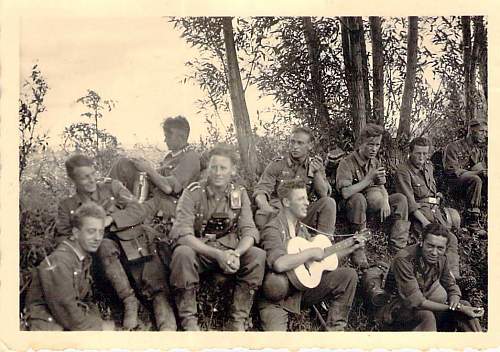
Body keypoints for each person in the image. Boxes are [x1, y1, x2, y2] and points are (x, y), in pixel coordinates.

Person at [55, 154, 176, 331]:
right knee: (105, 247)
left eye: (92, 174)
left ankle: (169, 335)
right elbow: (62, 238)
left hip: (135, 247)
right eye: (84, 177)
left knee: (157, 291)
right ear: (73, 179)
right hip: (102, 261)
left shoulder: (112, 188)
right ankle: (130, 304)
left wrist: (112, 219)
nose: (91, 180)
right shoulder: (68, 206)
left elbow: (139, 210)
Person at [168, 144, 266, 331]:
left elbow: (249, 231)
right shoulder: (194, 191)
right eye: (214, 167)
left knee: (257, 256)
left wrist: (237, 253)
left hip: (229, 251)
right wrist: (217, 255)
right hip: (200, 249)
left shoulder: (238, 193)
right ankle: (189, 321)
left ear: (233, 170)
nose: (218, 173)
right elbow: (183, 233)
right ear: (207, 169)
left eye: (223, 168)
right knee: (182, 253)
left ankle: (238, 320)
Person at [258, 179, 362, 331]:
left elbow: (319, 259)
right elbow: (279, 264)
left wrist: (350, 247)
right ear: (286, 202)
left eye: (307, 198)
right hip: (278, 299)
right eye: (301, 199)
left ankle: (336, 331)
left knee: (348, 276)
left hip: (302, 291)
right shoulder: (273, 228)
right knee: (277, 343)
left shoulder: (301, 229)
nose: (307, 203)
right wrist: (310, 252)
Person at [24, 203, 115, 330]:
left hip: (64, 321)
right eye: (91, 232)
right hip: (47, 326)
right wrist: (100, 327)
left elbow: (82, 302)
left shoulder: (82, 258)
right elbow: (66, 310)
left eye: (101, 232)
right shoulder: (60, 261)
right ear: (76, 233)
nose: (98, 238)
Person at [378, 223, 483, 331]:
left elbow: (451, 285)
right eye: (430, 246)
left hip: (426, 304)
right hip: (396, 310)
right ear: (421, 242)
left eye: (440, 248)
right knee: (427, 316)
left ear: (445, 248)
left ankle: (478, 343)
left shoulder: (442, 258)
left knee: (465, 306)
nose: (434, 252)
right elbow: (417, 302)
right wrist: (458, 308)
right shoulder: (404, 259)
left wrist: (455, 301)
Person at [336, 123, 410, 266]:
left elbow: (381, 186)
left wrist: (386, 200)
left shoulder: (375, 162)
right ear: (360, 143)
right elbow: (345, 193)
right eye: (370, 144)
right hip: (352, 206)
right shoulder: (346, 163)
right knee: (358, 199)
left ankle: (397, 248)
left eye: (377, 145)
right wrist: (368, 178)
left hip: (371, 203)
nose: (374, 149)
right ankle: (359, 245)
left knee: (401, 199)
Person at [109, 115, 201, 221]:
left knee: (132, 209)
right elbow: (158, 177)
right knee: (124, 164)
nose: (165, 140)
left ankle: (112, 213)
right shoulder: (170, 156)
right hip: (154, 194)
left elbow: (169, 188)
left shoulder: (190, 157)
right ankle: (107, 202)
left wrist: (148, 169)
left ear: (181, 137)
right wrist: (141, 166)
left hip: (168, 202)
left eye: (168, 136)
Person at [253, 126, 336, 235]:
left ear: (310, 146)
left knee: (329, 203)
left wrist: (316, 173)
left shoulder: (315, 165)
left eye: (300, 143)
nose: (295, 147)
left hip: (302, 213)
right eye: (292, 142)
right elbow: (261, 190)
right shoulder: (278, 164)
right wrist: (266, 208)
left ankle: (324, 243)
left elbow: (323, 194)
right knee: (262, 217)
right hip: (279, 213)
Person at [443, 117, 487, 232]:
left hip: (469, 182)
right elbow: (452, 171)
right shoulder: (453, 147)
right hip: (453, 183)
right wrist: (478, 172)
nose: (485, 135)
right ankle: (472, 221)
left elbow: (479, 168)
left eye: (486, 132)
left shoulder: (478, 151)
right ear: (471, 131)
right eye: (482, 131)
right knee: (476, 179)